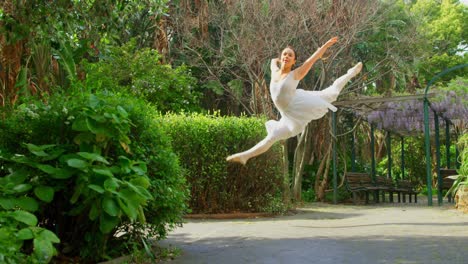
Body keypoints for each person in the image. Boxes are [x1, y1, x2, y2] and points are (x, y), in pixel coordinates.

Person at [226, 37, 362, 165]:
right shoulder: (274, 71)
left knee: (332, 93)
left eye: (290, 55)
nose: (286, 56)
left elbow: (312, 60)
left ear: (294, 61)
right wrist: (277, 60)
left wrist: (325, 46)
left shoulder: (296, 74)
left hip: (299, 104)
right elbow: (273, 61)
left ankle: (350, 73)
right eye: (284, 54)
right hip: (287, 116)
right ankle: (245, 156)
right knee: (272, 137)